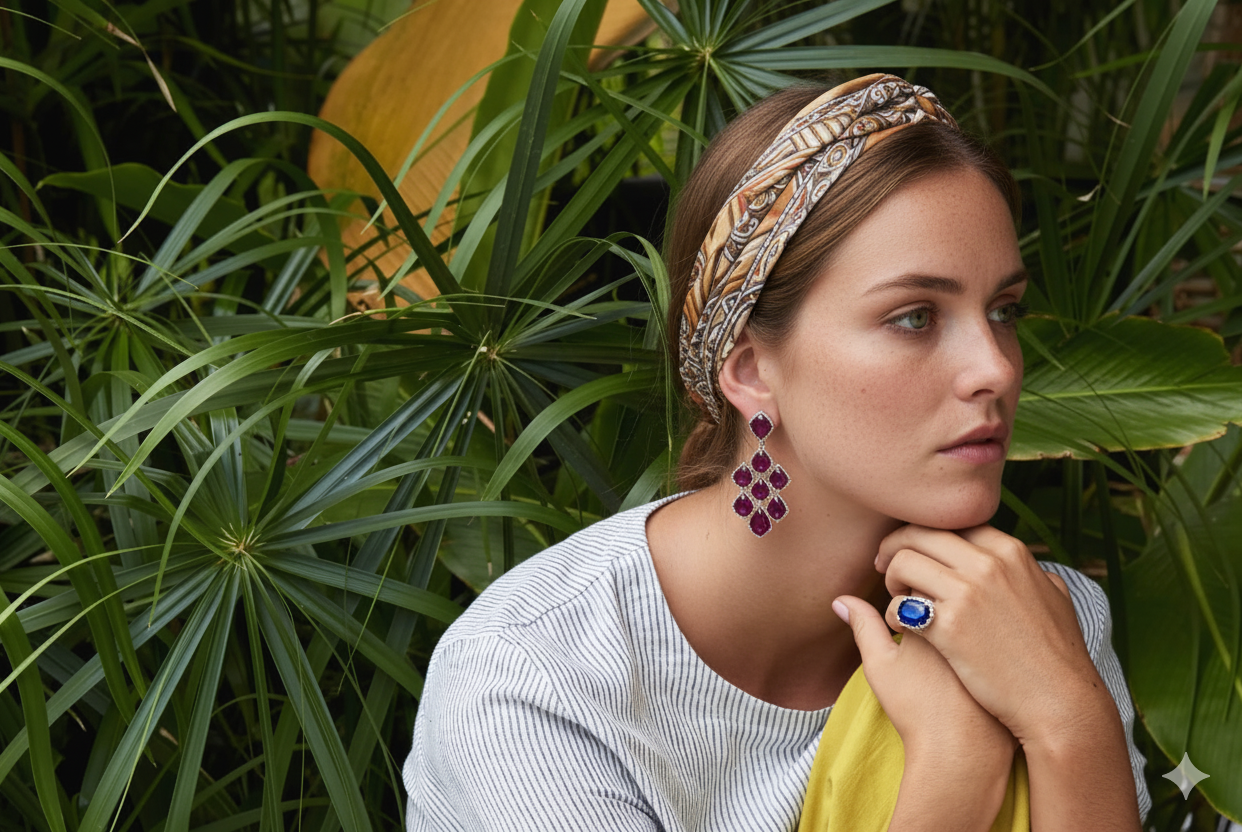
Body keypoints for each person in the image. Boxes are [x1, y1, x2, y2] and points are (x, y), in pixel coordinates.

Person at [402, 74, 1151, 831]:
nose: (994, 368)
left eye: (1004, 311)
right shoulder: (536, 677)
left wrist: (1068, 718)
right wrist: (955, 766)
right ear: (752, 371)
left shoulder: (1028, 622)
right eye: (915, 317)